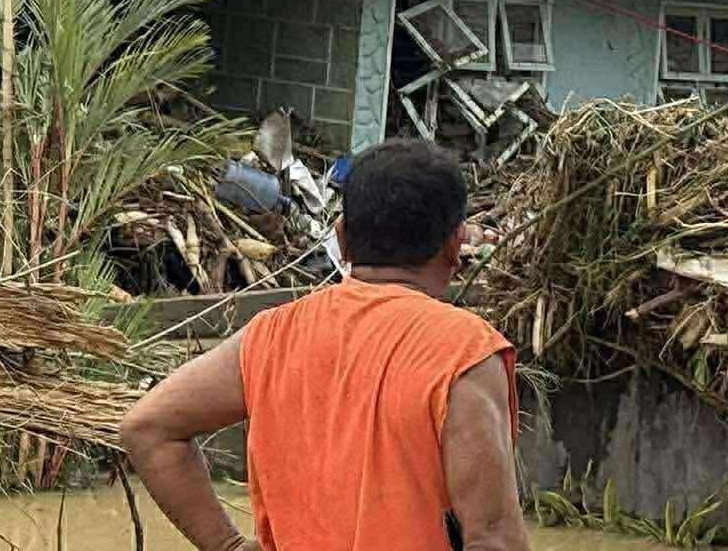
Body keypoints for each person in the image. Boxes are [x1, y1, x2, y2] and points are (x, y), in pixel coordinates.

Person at [121, 139, 528, 551]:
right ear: (455, 245)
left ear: (342, 241)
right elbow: (496, 540)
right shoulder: (464, 353)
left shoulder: (273, 335)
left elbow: (147, 429)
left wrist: (227, 545)